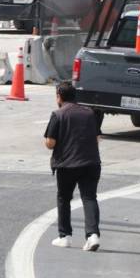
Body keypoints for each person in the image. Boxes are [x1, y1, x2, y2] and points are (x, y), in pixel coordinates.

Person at [43, 81, 102, 252]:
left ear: (59, 96)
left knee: (64, 198)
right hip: (91, 162)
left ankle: (65, 236)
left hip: (67, 164)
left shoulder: (58, 114)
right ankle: (92, 235)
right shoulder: (90, 113)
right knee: (89, 197)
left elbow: (50, 143)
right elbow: (97, 138)